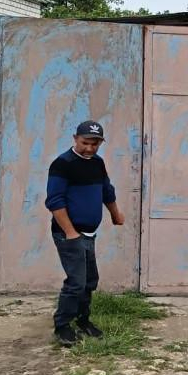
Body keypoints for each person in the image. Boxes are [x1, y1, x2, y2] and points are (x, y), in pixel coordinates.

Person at [44, 120, 125, 345]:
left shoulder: (97, 163)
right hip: (68, 234)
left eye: (95, 144)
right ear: (75, 139)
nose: (89, 148)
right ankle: (62, 326)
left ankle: (82, 320)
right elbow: (55, 201)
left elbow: (107, 191)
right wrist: (71, 232)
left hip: (89, 234)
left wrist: (115, 214)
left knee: (89, 280)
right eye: (85, 143)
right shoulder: (62, 164)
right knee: (76, 282)